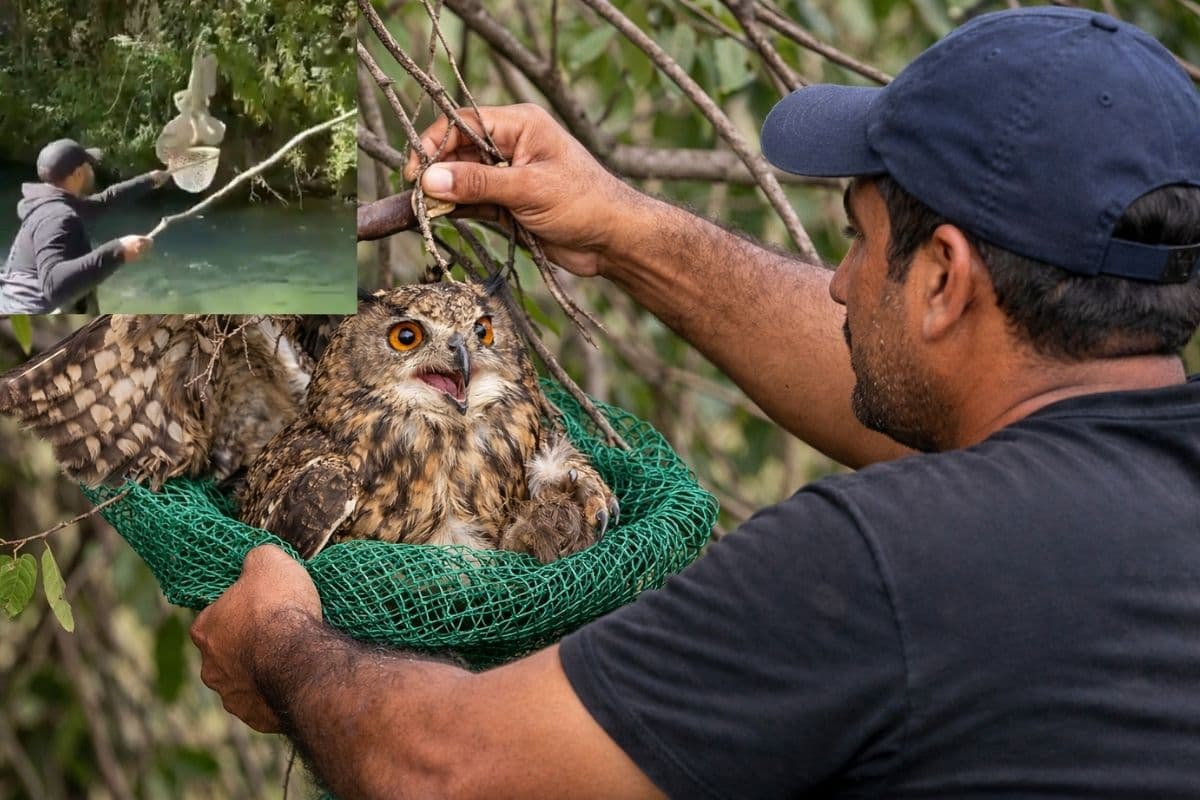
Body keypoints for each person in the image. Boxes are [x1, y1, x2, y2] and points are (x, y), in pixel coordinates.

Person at [191, 7, 1200, 798]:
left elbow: (446, 770)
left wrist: (280, 642)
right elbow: (919, 381)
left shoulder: (883, 565)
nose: (840, 286)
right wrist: (625, 232)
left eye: (855, 239)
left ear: (944, 278)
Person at [0, 139, 169, 314]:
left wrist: (150, 180)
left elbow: (105, 200)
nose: (92, 169)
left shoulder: (50, 203)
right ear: (79, 174)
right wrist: (118, 251)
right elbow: (53, 285)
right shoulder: (58, 216)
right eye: (89, 165)